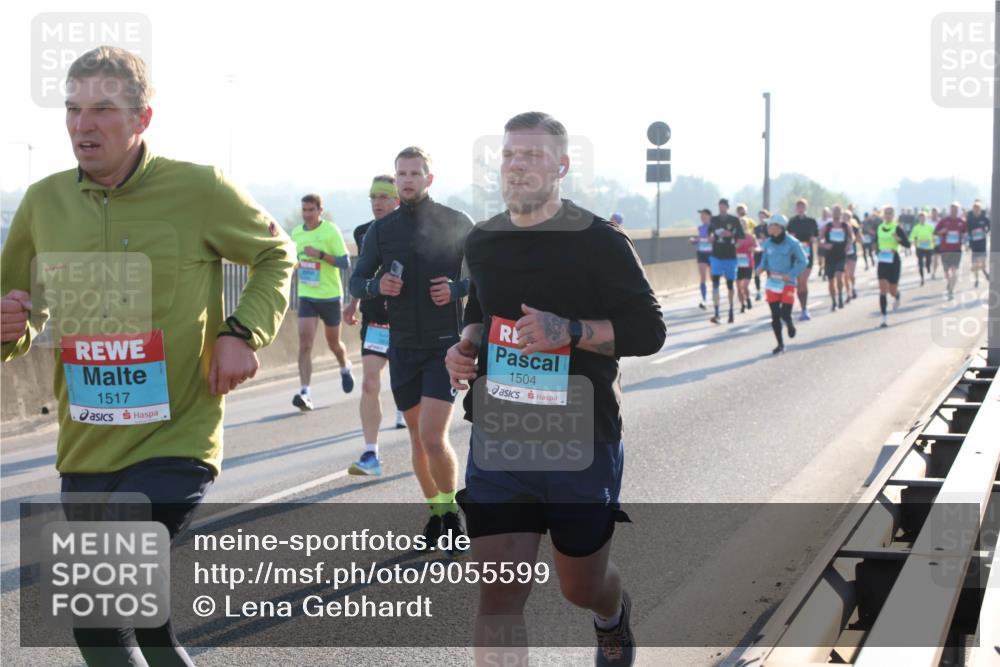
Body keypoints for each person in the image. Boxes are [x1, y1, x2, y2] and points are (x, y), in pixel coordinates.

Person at [0, 46, 295, 667]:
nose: (84, 124)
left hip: (174, 438)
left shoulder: (199, 189)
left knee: (102, 607)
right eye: (73, 109)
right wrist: (10, 326)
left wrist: (242, 331)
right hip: (86, 445)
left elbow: (277, 255)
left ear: (143, 118)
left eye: (103, 108)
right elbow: (17, 314)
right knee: (140, 625)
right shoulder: (42, 202)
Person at [445, 111, 665, 667]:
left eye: (534, 155)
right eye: (510, 155)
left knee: (581, 586)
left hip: (579, 436)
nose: (518, 165)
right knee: (498, 594)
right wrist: (466, 343)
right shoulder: (484, 239)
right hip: (502, 432)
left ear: (562, 166)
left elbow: (649, 331)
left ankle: (611, 616)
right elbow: (482, 308)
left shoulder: (599, 242)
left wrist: (568, 331)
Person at [349, 146, 472, 550]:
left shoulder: (455, 222)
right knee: (417, 440)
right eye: (401, 173)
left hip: (444, 347)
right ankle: (437, 514)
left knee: (435, 437)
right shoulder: (381, 232)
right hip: (402, 345)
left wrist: (456, 289)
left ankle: (453, 514)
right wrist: (376, 287)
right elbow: (357, 281)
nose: (407, 180)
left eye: (415, 173)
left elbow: (483, 278)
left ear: (429, 179)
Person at [344, 176, 405, 477]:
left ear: (397, 199)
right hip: (376, 321)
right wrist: (352, 303)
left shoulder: (412, 232)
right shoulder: (362, 232)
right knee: (369, 382)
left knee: (409, 388)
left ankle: (431, 447)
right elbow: (362, 273)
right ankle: (371, 454)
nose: (377, 202)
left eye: (384, 196)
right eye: (373, 197)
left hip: (409, 322)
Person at [290, 193, 354, 410]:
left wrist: (319, 254)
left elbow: (345, 262)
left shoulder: (330, 231)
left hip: (330, 295)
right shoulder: (296, 233)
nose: (307, 214)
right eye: (304, 210)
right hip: (307, 295)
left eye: (311, 210)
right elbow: (292, 259)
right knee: (305, 344)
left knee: (333, 343)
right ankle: (305, 392)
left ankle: (345, 366)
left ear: (320, 211)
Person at [756, 214, 807, 353]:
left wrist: (790, 274)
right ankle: (780, 344)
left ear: (778, 226)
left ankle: (789, 323)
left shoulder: (793, 243)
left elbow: (803, 262)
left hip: (788, 283)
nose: (768, 227)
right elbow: (764, 261)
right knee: (775, 314)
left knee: (785, 313)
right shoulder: (767, 243)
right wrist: (759, 269)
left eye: (770, 225)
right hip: (772, 283)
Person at [707, 198, 745, 324]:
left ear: (728, 208)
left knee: (730, 284)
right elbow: (710, 234)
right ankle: (717, 312)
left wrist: (732, 237)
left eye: (724, 207)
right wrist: (712, 237)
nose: (722, 209)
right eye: (720, 207)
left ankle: (730, 310)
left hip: (730, 256)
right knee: (715, 283)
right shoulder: (714, 219)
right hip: (716, 255)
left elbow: (740, 237)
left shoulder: (734, 220)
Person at [874, 205, 911, 327]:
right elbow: (876, 242)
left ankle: (897, 295)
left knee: (892, 290)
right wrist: (876, 251)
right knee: (882, 288)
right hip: (883, 260)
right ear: (883, 215)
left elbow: (907, 244)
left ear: (893, 215)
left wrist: (898, 239)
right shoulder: (879, 227)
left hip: (894, 260)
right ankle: (884, 317)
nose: (888, 215)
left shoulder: (897, 228)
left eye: (890, 213)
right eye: (886, 213)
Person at [787, 198, 819, 321]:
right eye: (798, 206)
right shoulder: (792, 222)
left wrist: (813, 239)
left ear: (806, 208)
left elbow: (816, 236)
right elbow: (787, 237)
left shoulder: (811, 221)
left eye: (802, 206)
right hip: (795, 255)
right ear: (796, 208)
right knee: (799, 282)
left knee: (803, 281)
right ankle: (802, 308)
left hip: (807, 254)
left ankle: (804, 309)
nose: (800, 208)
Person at [819, 205, 854, 310]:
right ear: (832, 213)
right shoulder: (827, 226)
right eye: (835, 211)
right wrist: (825, 245)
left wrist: (848, 244)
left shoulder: (845, 226)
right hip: (830, 255)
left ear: (841, 213)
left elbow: (852, 237)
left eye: (838, 211)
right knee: (831, 280)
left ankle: (840, 297)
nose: (836, 213)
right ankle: (834, 301)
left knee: (839, 276)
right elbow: (819, 239)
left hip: (841, 255)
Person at [935, 202, 967, 301]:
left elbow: (965, 234)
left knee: (954, 270)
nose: (954, 211)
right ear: (950, 210)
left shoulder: (961, 221)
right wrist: (942, 232)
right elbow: (935, 232)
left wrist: (963, 237)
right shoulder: (944, 221)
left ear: (958, 211)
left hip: (956, 249)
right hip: (945, 249)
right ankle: (949, 283)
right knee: (946, 272)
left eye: (956, 210)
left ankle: (951, 290)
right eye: (952, 209)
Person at [688, 208, 713, 309]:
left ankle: (715, 296)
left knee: (713, 277)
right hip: (702, 253)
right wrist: (694, 241)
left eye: (704, 215)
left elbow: (712, 238)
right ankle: (704, 300)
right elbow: (700, 239)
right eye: (701, 216)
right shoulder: (700, 228)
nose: (702, 217)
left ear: (709, 216)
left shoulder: (713, 227)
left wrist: (699, 239)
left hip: (712, 253)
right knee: (702, 277)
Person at [965, 200, 990, 287]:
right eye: (975, 208)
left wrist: (985, 232)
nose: (976, 210)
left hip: (982, 244)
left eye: (978, 208)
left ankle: (985, 272)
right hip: (974, 245)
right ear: (973, 209)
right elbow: (967, 232)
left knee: (982, 263)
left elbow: (989, 227)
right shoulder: (970, 220)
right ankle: (976, 280)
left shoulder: (984, 218)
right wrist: (967, 244)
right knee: (975, 264)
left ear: (980, 209)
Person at [910, 211, 935, 286]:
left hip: (929, 247)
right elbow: (911, 237)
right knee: (920, 263)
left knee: (928, 261)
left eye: (923, 217)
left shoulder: (930, 226)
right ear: (919, 219)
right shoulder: (916, 227)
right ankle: (922, 278)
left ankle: (928, 267)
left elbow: (935, 235)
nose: (922, 219)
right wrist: (914, 242)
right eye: (921, 218)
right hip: (920, 247)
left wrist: (934, 241)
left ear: (926, 218)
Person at [736, 227, 758, 312]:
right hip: (738, 264)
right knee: (738, 287)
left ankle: (748, 299)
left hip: (748, 263)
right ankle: (742, 305)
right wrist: (735, 246)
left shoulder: (751, 237)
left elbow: (758, 248)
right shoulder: (735, 237)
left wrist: (754, 249)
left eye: (744, 224)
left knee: (744, 286)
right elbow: (728, 248)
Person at [844, 208, 861, 301]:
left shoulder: (854, 227)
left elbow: (858, 238)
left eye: (847, 217)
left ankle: (853, 287)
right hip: (843, 253)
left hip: (852, 252)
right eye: (843, 216)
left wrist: (852, 240)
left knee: (851, 274)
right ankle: (848, 293)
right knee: (845, 274)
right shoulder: (840, 226)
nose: (845, 218)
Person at [753, 209, 770, 300]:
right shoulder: (756, 228)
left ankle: (768, 291)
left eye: (763, 216)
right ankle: (758, 291)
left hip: (769, 253)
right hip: (759, 253)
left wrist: (766, 238)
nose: (761, 218)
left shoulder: (770, 227)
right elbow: (754, 240)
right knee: (756, 272)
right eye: (760, 216)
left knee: (769, 273)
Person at [929, 206, 942, 279]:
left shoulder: (940, 221)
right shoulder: (928, 222)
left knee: (936, 260)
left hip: (938, 242)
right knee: (931, 259)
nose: (934, 214)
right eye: (933, 213)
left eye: (935, 213)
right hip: (929, 242)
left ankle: (933, 273)